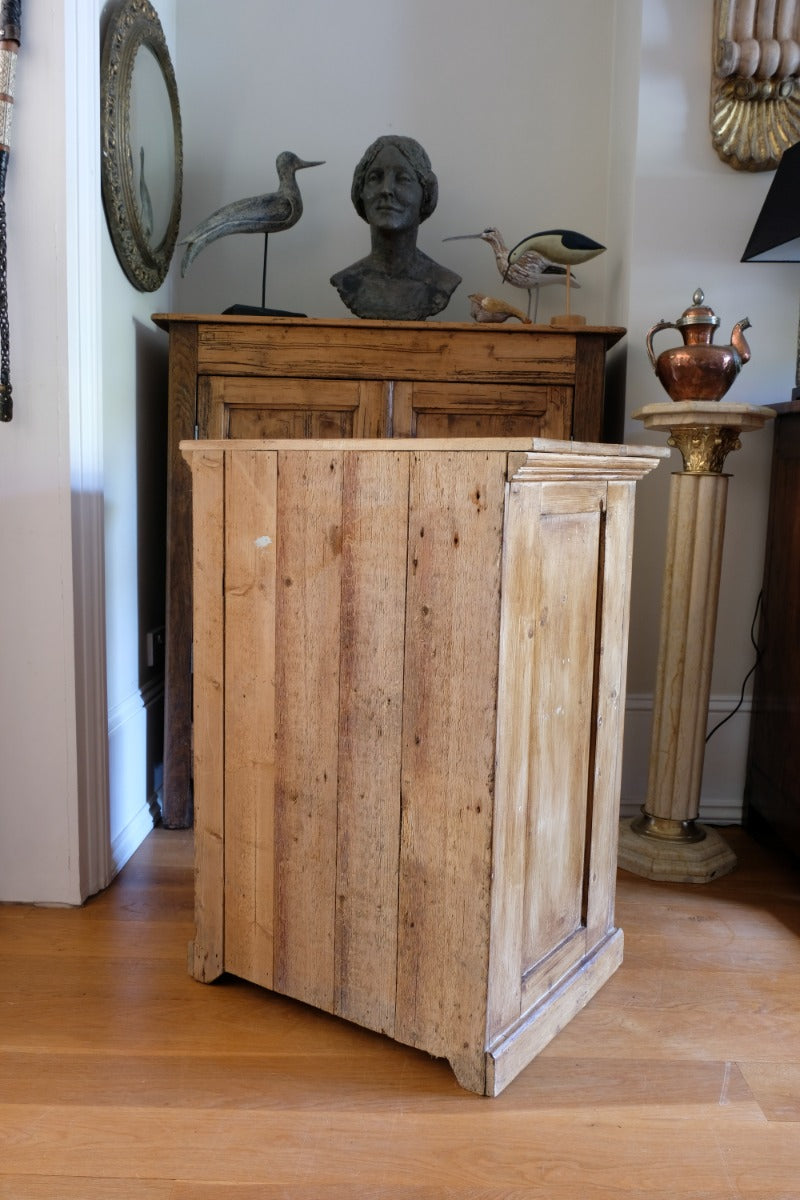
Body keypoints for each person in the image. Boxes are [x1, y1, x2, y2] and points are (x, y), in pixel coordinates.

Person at [331, 135, 461, 320]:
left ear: (425, 193)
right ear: (360, 191)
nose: (386, 189)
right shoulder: (348, 281)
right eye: (375, 178)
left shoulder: (442, 282)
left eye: (403, 179)